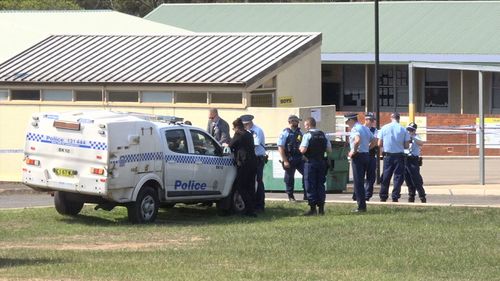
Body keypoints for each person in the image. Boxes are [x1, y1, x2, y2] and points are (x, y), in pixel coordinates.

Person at [299, 117, 331, 216]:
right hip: (321, 162)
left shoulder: (307, 135)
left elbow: (303, 150)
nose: (305, 127)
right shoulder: (323, 135)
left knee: (310, 185)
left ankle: (312, 209)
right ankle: (321, 209)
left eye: (305, 125)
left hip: (310, 163)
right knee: (320, 184)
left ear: (308, 125)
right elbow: (329, 150)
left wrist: (299, 147)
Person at [227, 118, 258, 217]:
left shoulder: (238, 135)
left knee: (241, 187)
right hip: (253, 163)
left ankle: (248, 209)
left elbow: (230, 146)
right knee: (250, 187)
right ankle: (252, 210)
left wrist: (226, 144)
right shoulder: (249, 134)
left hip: (244, 164)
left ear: (236, 127)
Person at [378, 112, 410, 202]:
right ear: (399, 119)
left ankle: (383, 196)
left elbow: (379, 143)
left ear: (391, 118)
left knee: (386, 176)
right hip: (399, 155)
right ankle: (395, 196)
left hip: (387, 156)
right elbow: (406, 146)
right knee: (398, 177)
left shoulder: (384, 128)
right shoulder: (403, 129)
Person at [345, 113, 374, 213]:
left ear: (351, 120)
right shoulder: (365, 128)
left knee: (358, 182)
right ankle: (362, 205)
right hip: (366, 155)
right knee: (362, 181)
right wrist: (367, 148)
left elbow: (357, 140)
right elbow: (374, 140)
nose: (347, 124)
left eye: (347, 121)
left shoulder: (355, 129)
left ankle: (361, 206)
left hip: (358, 156)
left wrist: (354, 151)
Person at [241, 114, 266, 212]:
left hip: (258, 159)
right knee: (251, 182)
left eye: (246, 124)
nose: (245, 126)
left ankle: (260, 205)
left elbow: (254, 144)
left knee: (258, 182)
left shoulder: (257, 131)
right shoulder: (246, 131)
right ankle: (252, 204)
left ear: (250, 123)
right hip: (250, 160)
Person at [277, 115, 306, 202]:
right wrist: (285, 160)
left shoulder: (300, 133)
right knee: (289, 178)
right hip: (289, 158)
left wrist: (304, 157)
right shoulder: (285, 133)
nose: (297, 123)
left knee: (307, 174)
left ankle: (306, 194)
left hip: (299, 158)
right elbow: (280, 147)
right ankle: (290, 196)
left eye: (297, 121)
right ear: (291, 122)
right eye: (295, 121)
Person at [404, 122, 427, 203]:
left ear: (414, 130)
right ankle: (411, 196)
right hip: (406, 158)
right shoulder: (405, 137)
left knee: (416, 179)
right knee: (407, 179)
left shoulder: (417, 137)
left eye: (411, 130)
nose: (409, 131)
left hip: (413, 159)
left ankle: (422, 196)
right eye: (408, 129)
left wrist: (413, 138)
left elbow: (421, 143)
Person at [364, 112, 378, 201]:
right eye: (371, 120)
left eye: (373, 120)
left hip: (371, 155)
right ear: (366, 120)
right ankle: (357, 194)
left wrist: (366, 148)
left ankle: (367, 195)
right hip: (361, 155)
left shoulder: (374, 130)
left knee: (371, 176)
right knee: (359, 176)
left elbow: (375, 142)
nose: (373, 122)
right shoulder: (360, 128)